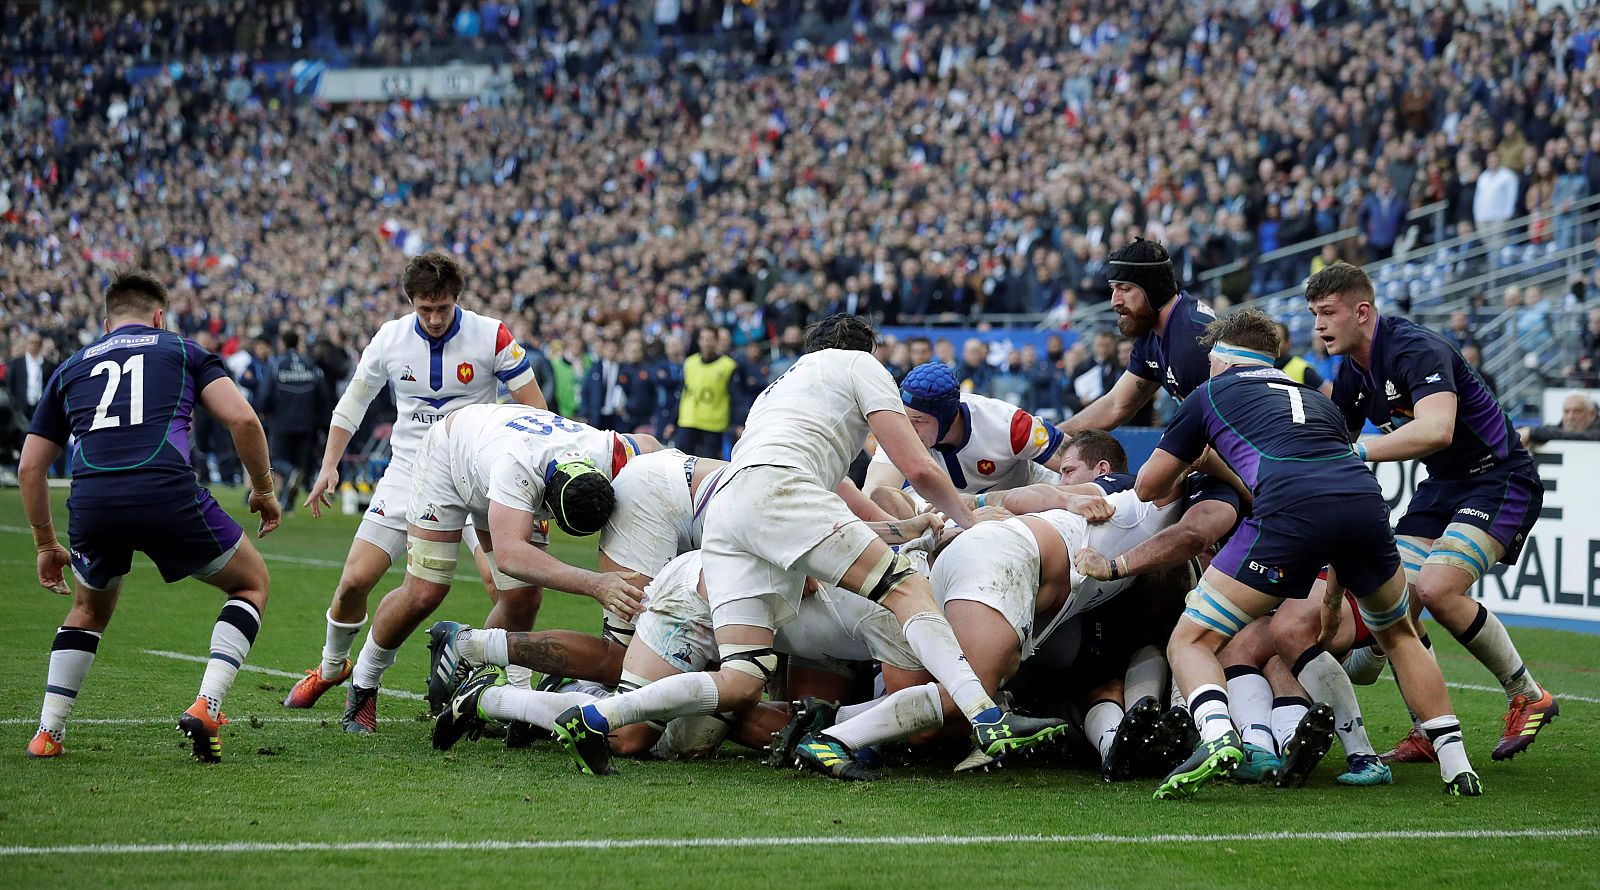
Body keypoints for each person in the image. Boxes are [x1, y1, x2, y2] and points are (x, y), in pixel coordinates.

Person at [549, 314, 1065, 778]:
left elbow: (838, 505)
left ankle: (597, 715)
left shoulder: (781, 390)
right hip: (777, 491)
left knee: (743, 678)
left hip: (728, 508)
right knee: (906, 587)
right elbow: (919, 467)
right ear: (868, 350)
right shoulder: (861, 367)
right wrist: (964, 518)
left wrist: (901, 529)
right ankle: (988, 718)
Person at [1137, 307, 1479, 799]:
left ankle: (1217, 737)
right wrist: (1336, 597)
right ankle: (1456, 762)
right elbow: (1332, 483)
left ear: (1224, 359)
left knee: (1191, 640)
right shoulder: (1317, 402)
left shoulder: (1208, 393)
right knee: (1401, 634)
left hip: (1290, 510)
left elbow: (1149, 487)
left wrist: (1195, 458)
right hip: (1362, 502)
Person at [21, 270, 280, 762]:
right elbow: (243, 419)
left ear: (106, 322)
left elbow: (31, 466)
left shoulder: (71, 367)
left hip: (93, 501)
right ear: (159, 316)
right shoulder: (181, 349)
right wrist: (263, 489)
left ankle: (47, 733)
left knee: (89, 610)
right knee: (250, 584)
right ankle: (207, 704)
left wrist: (44, 543)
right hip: (165, 490)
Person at [1307, 262, 1556, 763]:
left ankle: (1528, 694)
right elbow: (1339, 442)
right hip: (1442, 485)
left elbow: (1436, 430)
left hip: (1499, 478)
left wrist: (1358, 454)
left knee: (1438, 588)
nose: (1317, 326)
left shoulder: (1416, 349)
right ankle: (1426, 727)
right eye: (1313, 314)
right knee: (1392, 602)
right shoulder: (1352, 372)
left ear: (1362, 311)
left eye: (1327, 313)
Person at [282, 251, 547, 710]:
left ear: (456, 299)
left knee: (509, 586)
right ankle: (332, 666)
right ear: (411, 301)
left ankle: (513, 686)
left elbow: (536, 411)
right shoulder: (390, 338)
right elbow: (352, 405)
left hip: (476, 473)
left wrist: (534, 488)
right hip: (410, 471)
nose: (435, 317)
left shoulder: (492, 335)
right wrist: (329, 466)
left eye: (443, 307)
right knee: (354, 581)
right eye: (425, 308)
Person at [342, 404, 656, 732]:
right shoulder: (517, 469)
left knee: (523, 600)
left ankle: (488, 686)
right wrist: (595, 584)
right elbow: (511, 557)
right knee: (425, 590)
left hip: (496, 450)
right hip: (450, 459)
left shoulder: (615, 451)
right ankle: (363, 684)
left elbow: (660, 457)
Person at [1058, 238, 1216, 436]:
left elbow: (1218, 432)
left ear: (1154, 291)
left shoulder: (1193, 340)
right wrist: (1051, 436)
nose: (1114, 301)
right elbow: (1115, 405)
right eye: (1113, 289)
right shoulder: (1150, 328)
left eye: (1125, 289)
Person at [862, 362, 1066, 499]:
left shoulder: (1007, 423)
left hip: (1026, 499)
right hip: (950, 512)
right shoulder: (899, 430)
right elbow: (877, 491)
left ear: (947, 417)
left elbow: (1076, 461)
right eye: (906, 417)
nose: (909, 429)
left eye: (919, 420)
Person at [263, 330, 328, 511]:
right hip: (306, 423)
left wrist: (262, 410)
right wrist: (320, 419)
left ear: (283, 343)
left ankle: (289, 481)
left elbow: (265, 392)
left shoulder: (277, 365)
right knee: (299, 463)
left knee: (276, 459)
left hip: (281, 421)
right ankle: (287, 503)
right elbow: (323, 394)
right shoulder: (310, 365)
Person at [676, 327, 736, 458]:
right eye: (703, 339)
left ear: (716, 341)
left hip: (713, 423)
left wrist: (736, 422)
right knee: (679, 461)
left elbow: (735, 397)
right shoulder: (689, 362)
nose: (706, 343)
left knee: (708, 465)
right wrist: (673, 420)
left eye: (709, 339)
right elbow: (683, 391)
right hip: (688, 419)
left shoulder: (728, 365)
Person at [7, 331, 56, 420]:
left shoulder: (49, 365)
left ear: (40, 345)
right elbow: (10, 385)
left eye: (36, 343)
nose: (33, 345)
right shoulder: (16, 363)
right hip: (21, 407)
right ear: (26, 344)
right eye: (30, 342)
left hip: (41, 407)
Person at [1519, 393, 1600, 446]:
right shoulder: (1557, 429)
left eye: (1577, 411)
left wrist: (1533, 433)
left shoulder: (1595, 434)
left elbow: (1582, 436)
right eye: (1566, 411)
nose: (1570, 417)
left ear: (1592, 415)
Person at [1273, 323, 1332, 395]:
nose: (1272, 342)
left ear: (1288, 343)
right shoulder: (1259, 367)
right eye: (1269, 337)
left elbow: (1331, 395)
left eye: (1277, 338)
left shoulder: (1302, 369)